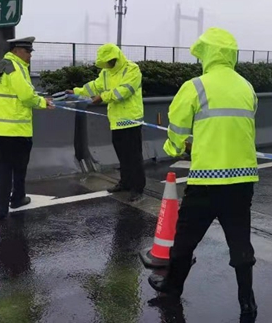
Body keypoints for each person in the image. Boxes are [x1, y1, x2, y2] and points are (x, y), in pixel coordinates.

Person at [148, 28, 259, 321]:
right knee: (240, 242)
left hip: (207, 180)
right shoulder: (247, 87)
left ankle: (172, 289)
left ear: (208, 54)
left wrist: (174, 146)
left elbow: (178, 127)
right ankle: (247, 302)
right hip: (242, 181)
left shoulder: (196, 86)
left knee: (185, 240)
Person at [0, 36, 55, 220]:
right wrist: (42, 102)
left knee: (2, 169)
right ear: (16, 51)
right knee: (19, 167)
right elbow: (26, 96)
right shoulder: (15, 68)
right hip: (17, 130)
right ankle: (17, 198)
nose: (30, 55)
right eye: (27, 51)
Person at [68, 43, 146, 202]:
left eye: (109, 61)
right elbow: (95, 86)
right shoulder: (106, 72)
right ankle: (125, 182)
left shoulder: (131, 69)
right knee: (122, 154)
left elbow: (125, 91)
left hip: (130, 120)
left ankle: (137, 188)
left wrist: (103, 97)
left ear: (116, 58)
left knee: (133, 156)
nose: (107, 65)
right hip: (116, 121)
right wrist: (77, 91)